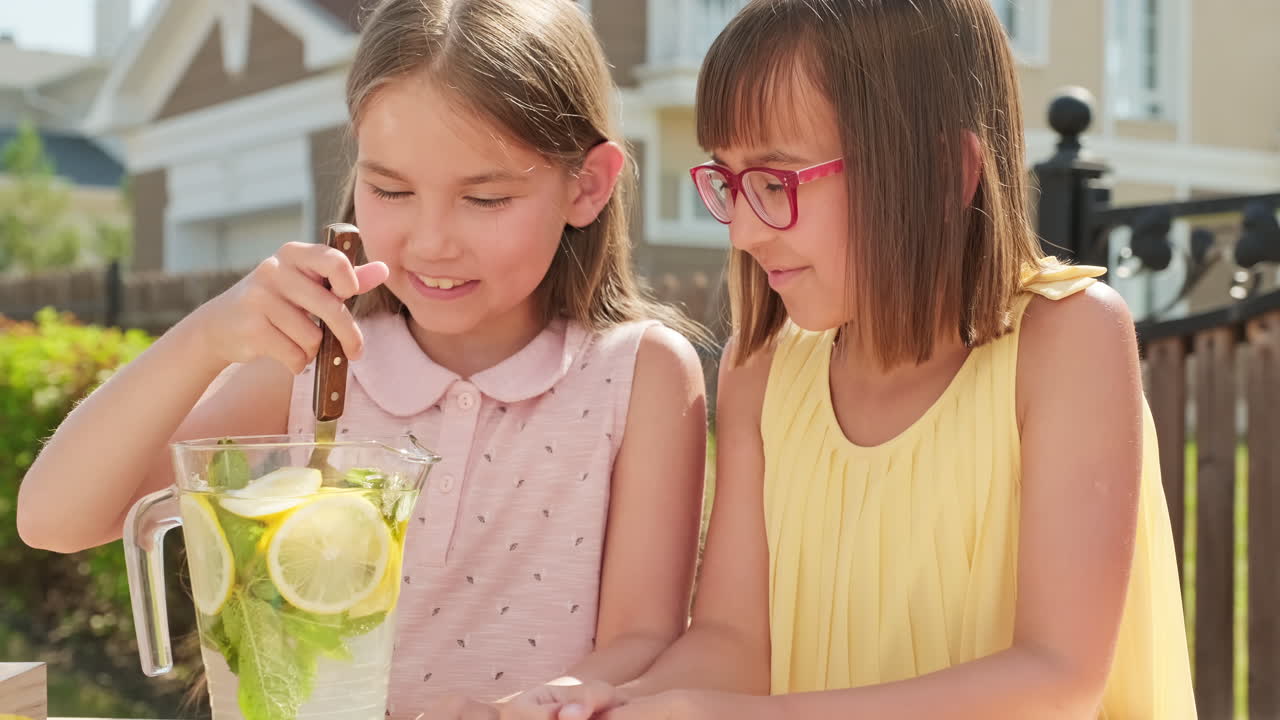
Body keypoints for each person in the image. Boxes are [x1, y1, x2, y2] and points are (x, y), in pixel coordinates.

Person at [17, 1, 709, 717]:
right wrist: (205, 337)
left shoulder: (640, 374)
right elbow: (53, 519)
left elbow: (643, 638)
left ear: (586, 185)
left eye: (486, 197)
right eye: (390, 189)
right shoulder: (312, 363)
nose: (431, 240)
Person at [538, 0, 1196, 718]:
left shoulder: (1068, 341)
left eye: (776, 183)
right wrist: (599, 704)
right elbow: (734, 644)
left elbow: (1057, 680)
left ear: (943, 172)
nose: (743, 234)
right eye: (730, 183)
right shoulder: (759, 371)